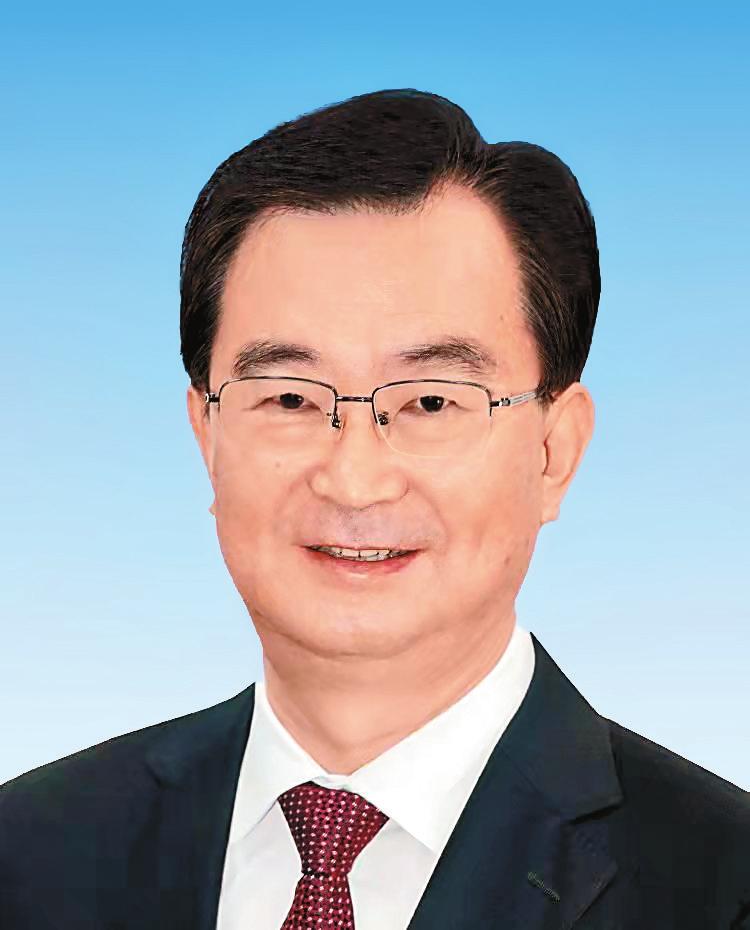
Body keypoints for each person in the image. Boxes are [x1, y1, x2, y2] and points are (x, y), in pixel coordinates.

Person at [1, 88, 748, 930]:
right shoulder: (29, 853)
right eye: (289, 398)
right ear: (206, 435)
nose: (353, 480)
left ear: (555, 451)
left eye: (430, 402)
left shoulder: (719, 885)